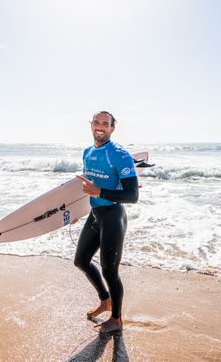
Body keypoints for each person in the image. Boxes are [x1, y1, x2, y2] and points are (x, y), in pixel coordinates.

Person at [75, 111, 139, 334]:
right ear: (91, 125)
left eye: (105, 123)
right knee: (81, 260)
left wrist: (100, 191)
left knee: (109, 271)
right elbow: (90, 187)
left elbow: (132, 195)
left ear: (113, 128)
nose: (100, 127)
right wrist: (75, 210)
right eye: (97, 122)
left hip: (113, 215)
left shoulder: (119, 154)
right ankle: (105, 300)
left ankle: (116, 319)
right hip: (95, 214)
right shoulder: (87, 152)